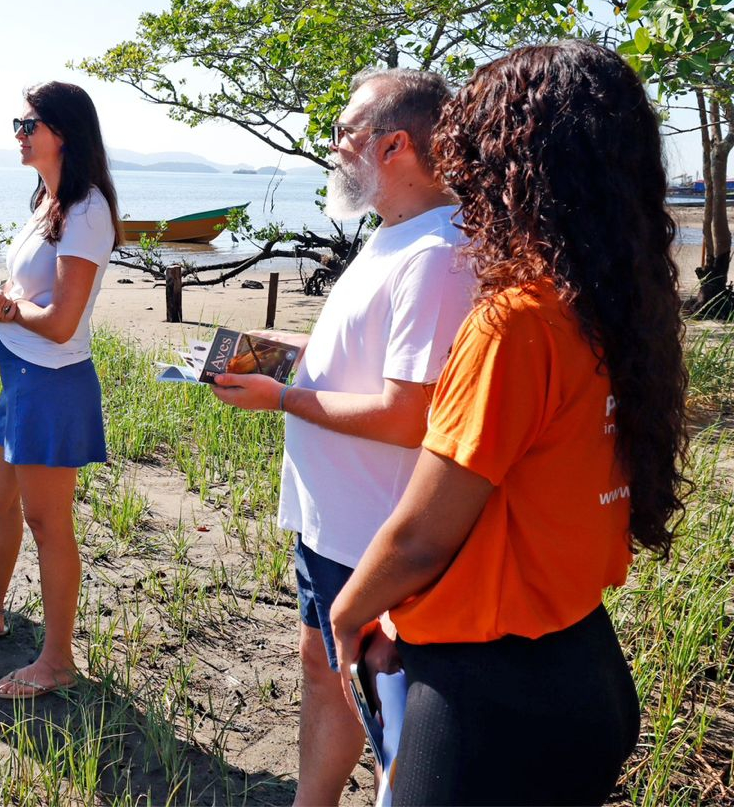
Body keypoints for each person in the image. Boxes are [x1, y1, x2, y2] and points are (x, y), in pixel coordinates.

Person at [329, 40, 686, 805]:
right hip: (587, 665)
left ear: (513, 166)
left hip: (488, 699)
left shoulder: (515, 323)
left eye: (476, 157)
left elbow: (425, 532)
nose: (464, 179)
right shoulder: (617, 308)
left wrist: (350, 609)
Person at [209, 68, 475, 804]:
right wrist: (281, 351)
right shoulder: (392, 235)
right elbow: (367, 364)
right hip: (336, 526)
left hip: (378, 537)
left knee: (392, 714)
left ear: (394, 145)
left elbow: (411, 414)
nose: (330, 147)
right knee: (324, 669)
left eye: (343, 131)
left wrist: (282, 396)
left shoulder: (435, 256)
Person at [0, 81, 121, 699]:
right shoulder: (48, 198)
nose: (18, 134)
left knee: (48, 522)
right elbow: (32, 291)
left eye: (28, 125)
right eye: (17, 124)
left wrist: (7, 312)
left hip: (52, 379)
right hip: (19, 370)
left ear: (62, 132)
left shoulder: (88, 210)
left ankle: (58, 661)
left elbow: (63, 319)